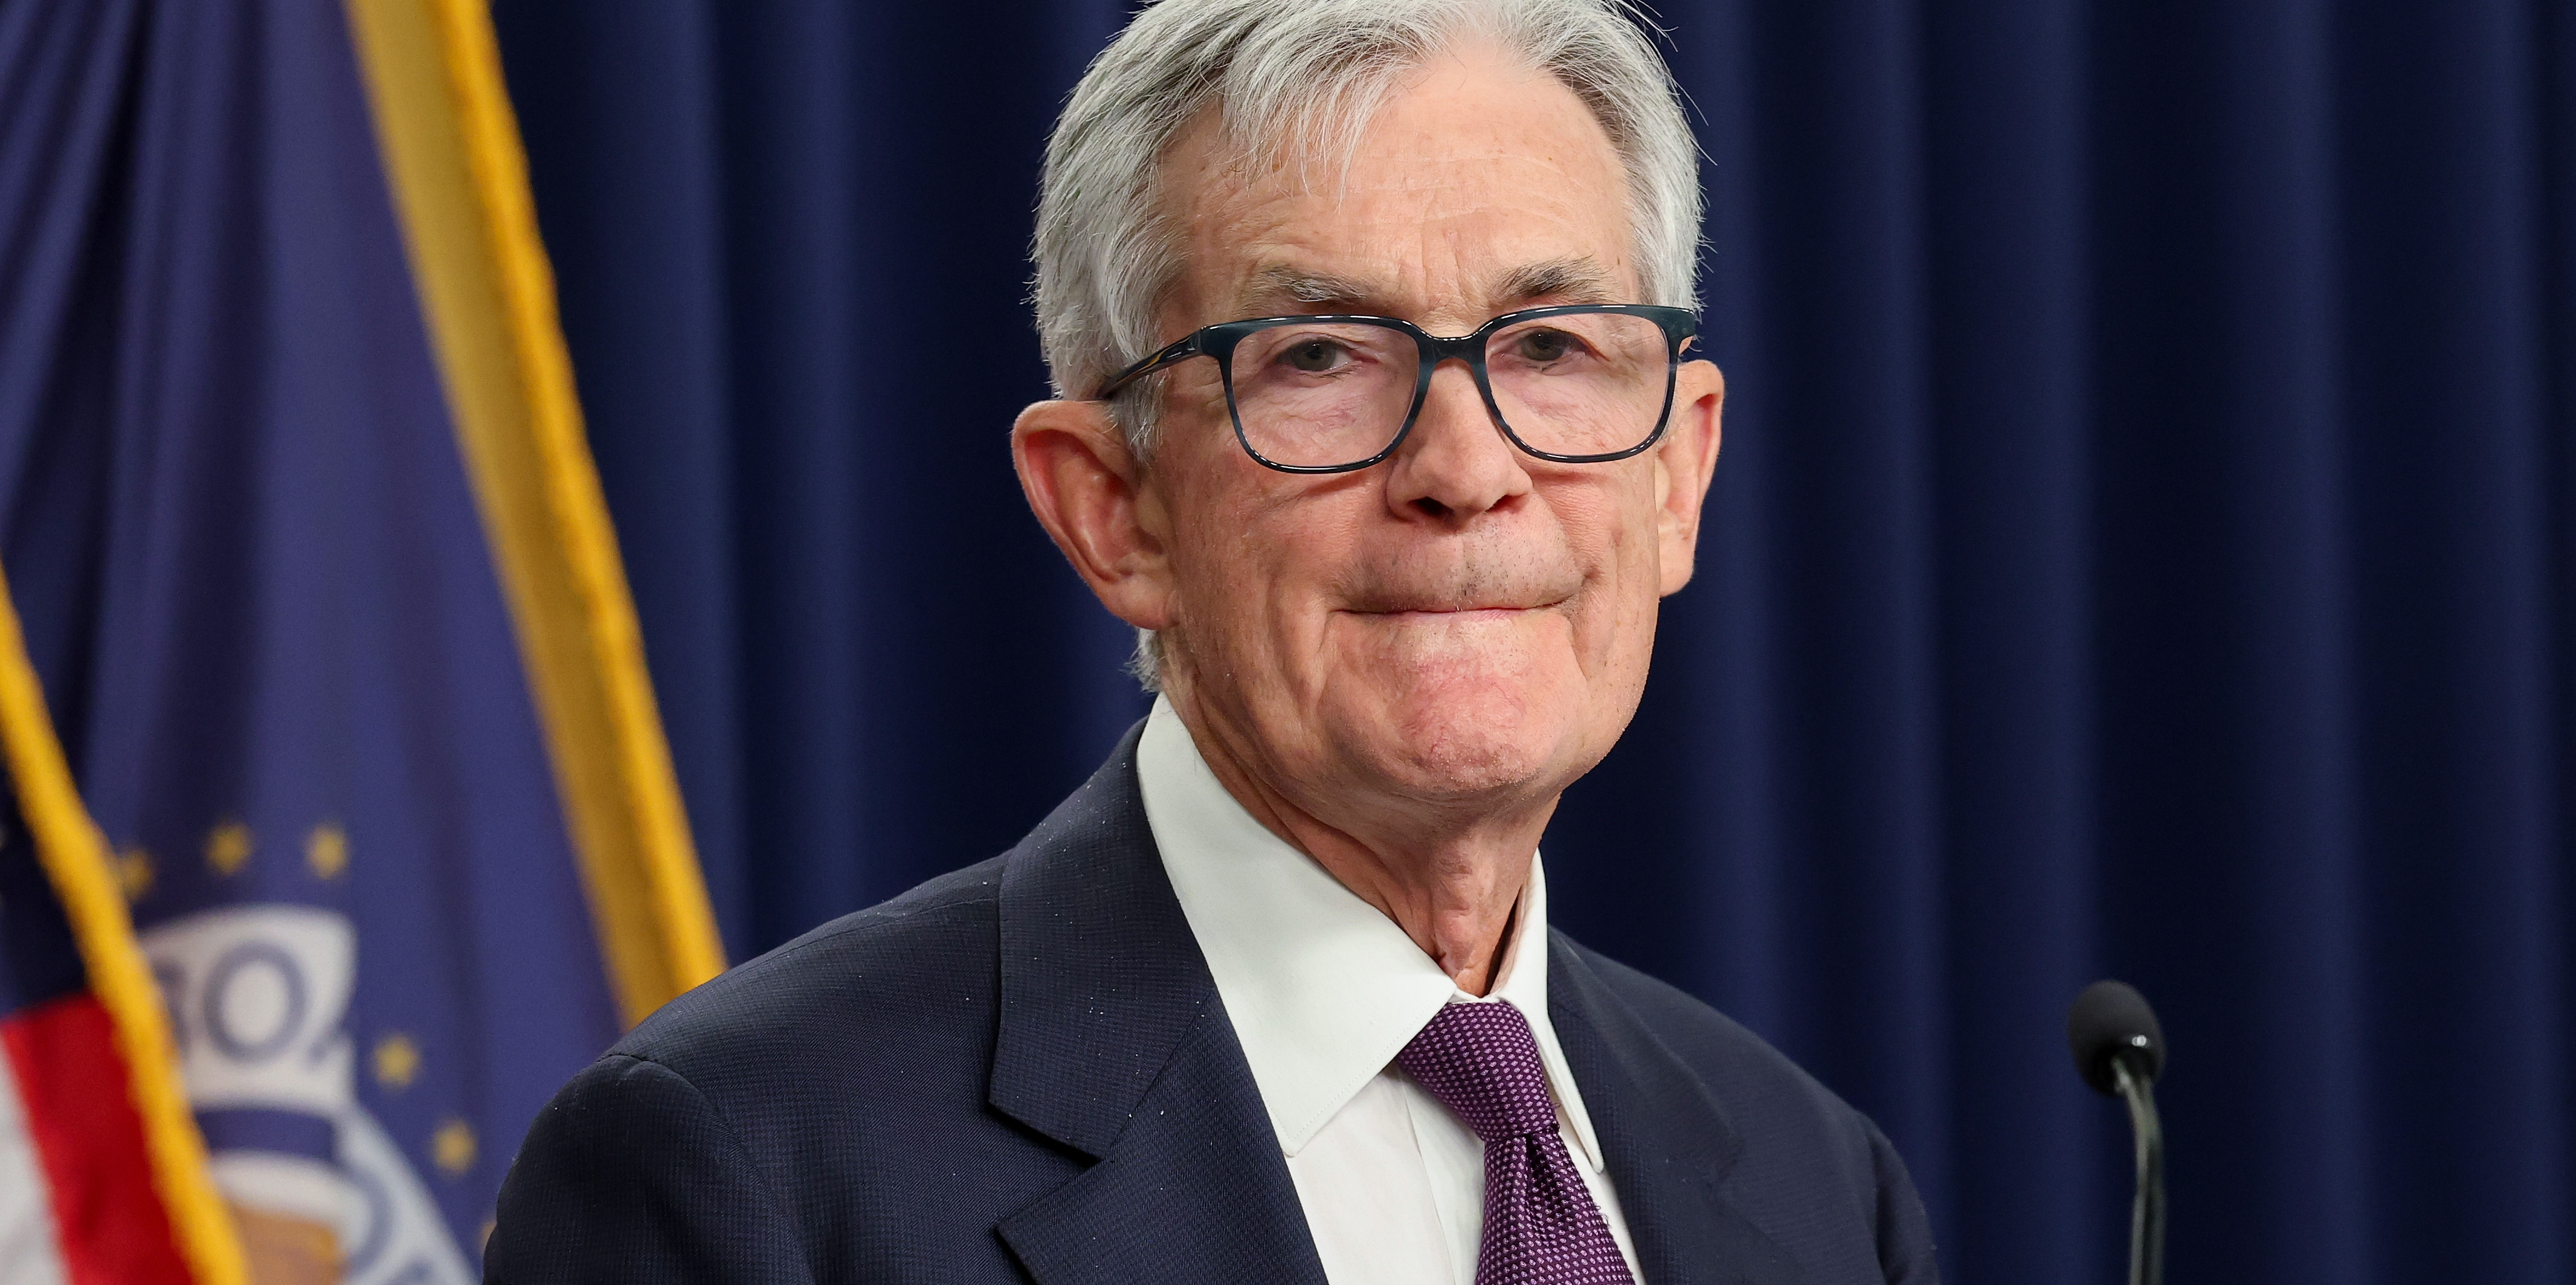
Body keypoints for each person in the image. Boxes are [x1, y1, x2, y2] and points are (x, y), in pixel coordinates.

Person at [484, 1, 1936, 1281]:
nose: (1464, 465)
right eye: (1317, 357)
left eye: (1549, 348)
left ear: (1676, 476)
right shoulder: (745, 1171)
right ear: (1113, 508)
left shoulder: (1816, 1189)